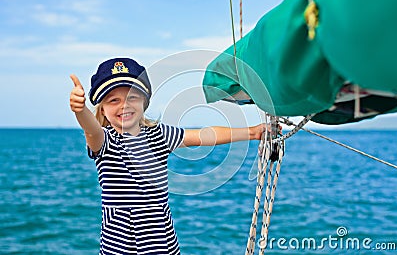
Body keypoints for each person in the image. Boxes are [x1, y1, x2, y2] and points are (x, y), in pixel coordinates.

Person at [69, 57, 266, 255]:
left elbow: (202, 136)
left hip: (162, 242)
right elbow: (92, 131)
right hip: (119, 245)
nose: (124, 106)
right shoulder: (106, 142)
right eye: (114, 100)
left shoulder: (160, 135)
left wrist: (252, 132)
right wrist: (81, 111)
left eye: (132, 97)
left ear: (144, 102)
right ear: (102, 108)